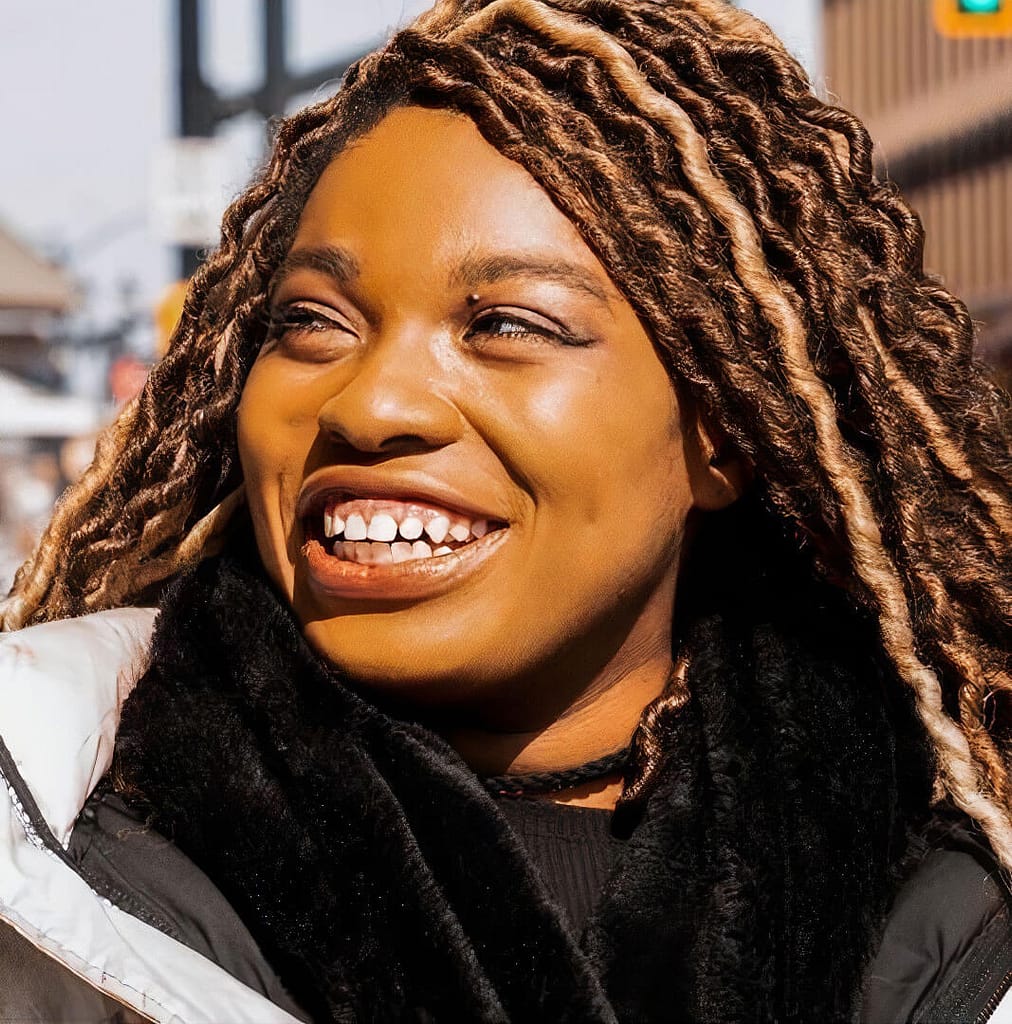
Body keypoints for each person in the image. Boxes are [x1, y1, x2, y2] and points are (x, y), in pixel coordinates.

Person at [1, 0, 1010, 1020]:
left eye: (507, 325)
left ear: (725, 434)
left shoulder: (960, 904)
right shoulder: (37, 868)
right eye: (312, 321)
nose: (370, 402)